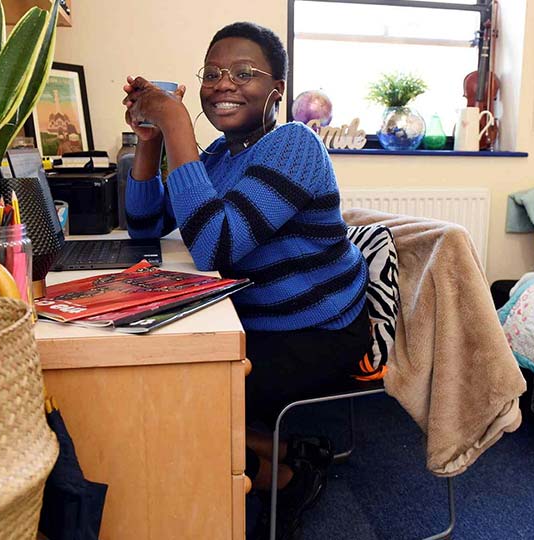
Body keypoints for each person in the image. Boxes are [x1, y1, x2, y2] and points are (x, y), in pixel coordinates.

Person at [122, 21, 369, 536]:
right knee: (158, 384)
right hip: (259, 321)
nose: (222, 84)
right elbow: (143, 228)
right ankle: (289, 449)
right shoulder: (214, 158)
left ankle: (285, 477)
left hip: (317, 331)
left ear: (275, 89)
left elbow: (218, 244)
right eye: (212, 74)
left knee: (176, 401)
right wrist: (150, 142)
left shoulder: (295, 144)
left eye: (243, 73)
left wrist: (177, 129)